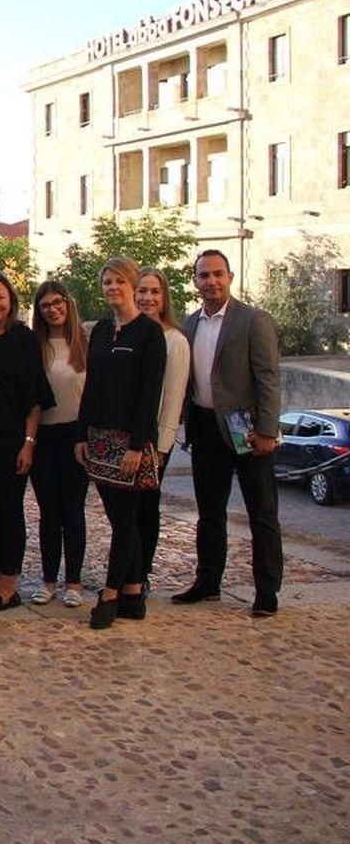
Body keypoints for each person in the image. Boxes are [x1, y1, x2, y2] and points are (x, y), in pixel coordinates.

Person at [174, 250, 283, 617]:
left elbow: (268, 377)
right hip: (205, 426)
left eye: (218, 274)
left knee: (261, 512)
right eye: (204, 276)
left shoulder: (253, 320)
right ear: (195, 281)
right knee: (209, 512)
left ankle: (267, 589)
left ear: (230, 276)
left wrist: (268, 429)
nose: (211, 282)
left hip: (247, 428)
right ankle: (208, 581)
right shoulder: (188, 325)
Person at [76, 257, 166, 629]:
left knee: (126, 520)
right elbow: (92, 385)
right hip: (100, 437)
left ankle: (111, 592)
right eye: (107, 282)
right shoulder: (100, 332)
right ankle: (132, 591)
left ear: (132, 286)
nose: (113, 288)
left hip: (130, 440)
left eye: (119, 282)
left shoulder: (149, 333)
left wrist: (137, 444)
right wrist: (82, 433)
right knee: (118, 517)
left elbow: (150, 393)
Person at [0, 272, 53, 612]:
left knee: (8, 510)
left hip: (11, 439)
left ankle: (8, 584)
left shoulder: (23, 339)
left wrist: (28, 442)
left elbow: (34, 397)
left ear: (11, 301)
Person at [28, 281, 89, 608]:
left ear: (67, 304)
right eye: (45, 305)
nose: (52, 309)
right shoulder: (36, 346)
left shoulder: (85, 342)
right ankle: (49, 579)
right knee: (49, 511)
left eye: (57, 303)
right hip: (43, 437)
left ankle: (74, 582)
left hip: (76, 435)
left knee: (73, 511)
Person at [136, 268, 192, 593]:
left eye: (155, 292)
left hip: (157, 438)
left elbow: (173, 397)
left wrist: (161, 446)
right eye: (142, 291)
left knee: (146, 506)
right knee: (126, 511)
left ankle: (141, 574)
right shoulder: (128, 333)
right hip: (129, 437)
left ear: (164, 297)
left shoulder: (175, 340)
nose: (148, 298)